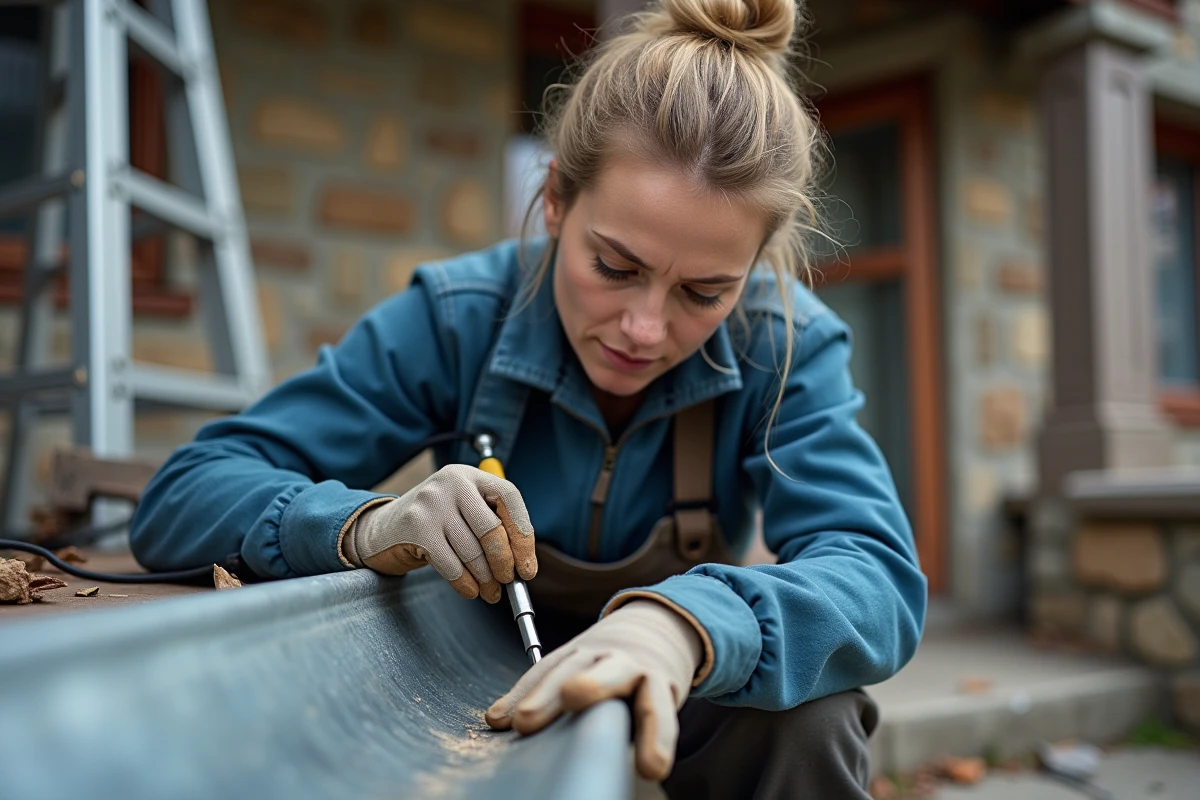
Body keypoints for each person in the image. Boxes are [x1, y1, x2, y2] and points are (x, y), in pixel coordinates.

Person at [129, 0, 926, 796]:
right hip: (467, 673)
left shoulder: (786, 342)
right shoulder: (455, 318)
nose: (645, 328)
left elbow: (877, 578)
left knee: (809, 721)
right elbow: (185, 493)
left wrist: (684, 626)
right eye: (614, 267)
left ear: (755, 266)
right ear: (554, 200)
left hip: (680, 679)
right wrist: (372, 523)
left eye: (706, 291)